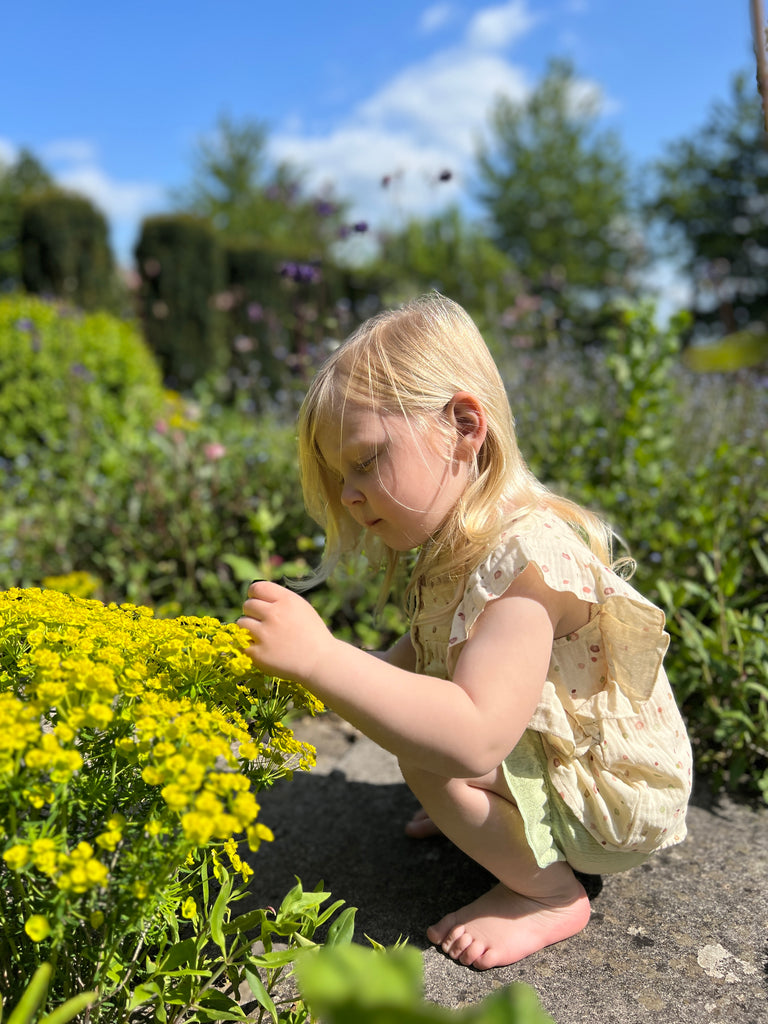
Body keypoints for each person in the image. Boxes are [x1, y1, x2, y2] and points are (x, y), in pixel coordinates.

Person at [237, 293, 692, 970]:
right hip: (570, 755)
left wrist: (324, 660)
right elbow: (422, 656)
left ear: (463, 424)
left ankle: (547, 895)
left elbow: (476, 732)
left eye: (364, 461)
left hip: (613, 798)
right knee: (420, 724)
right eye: (340, 478)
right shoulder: (462, 544)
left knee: (431, 754)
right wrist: (336, 673)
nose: (351, 495)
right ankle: (500, 817)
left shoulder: (524, 560)